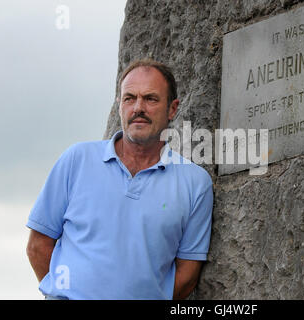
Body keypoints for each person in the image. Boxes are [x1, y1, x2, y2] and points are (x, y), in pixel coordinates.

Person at [26, 58, 213, 300]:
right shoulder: (77, 160)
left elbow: (187, 274)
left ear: (172, 109)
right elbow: (37, 246)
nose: (138, 108)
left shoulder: (195, 183)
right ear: (119, 105)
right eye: (129, 98)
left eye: (151, 99)